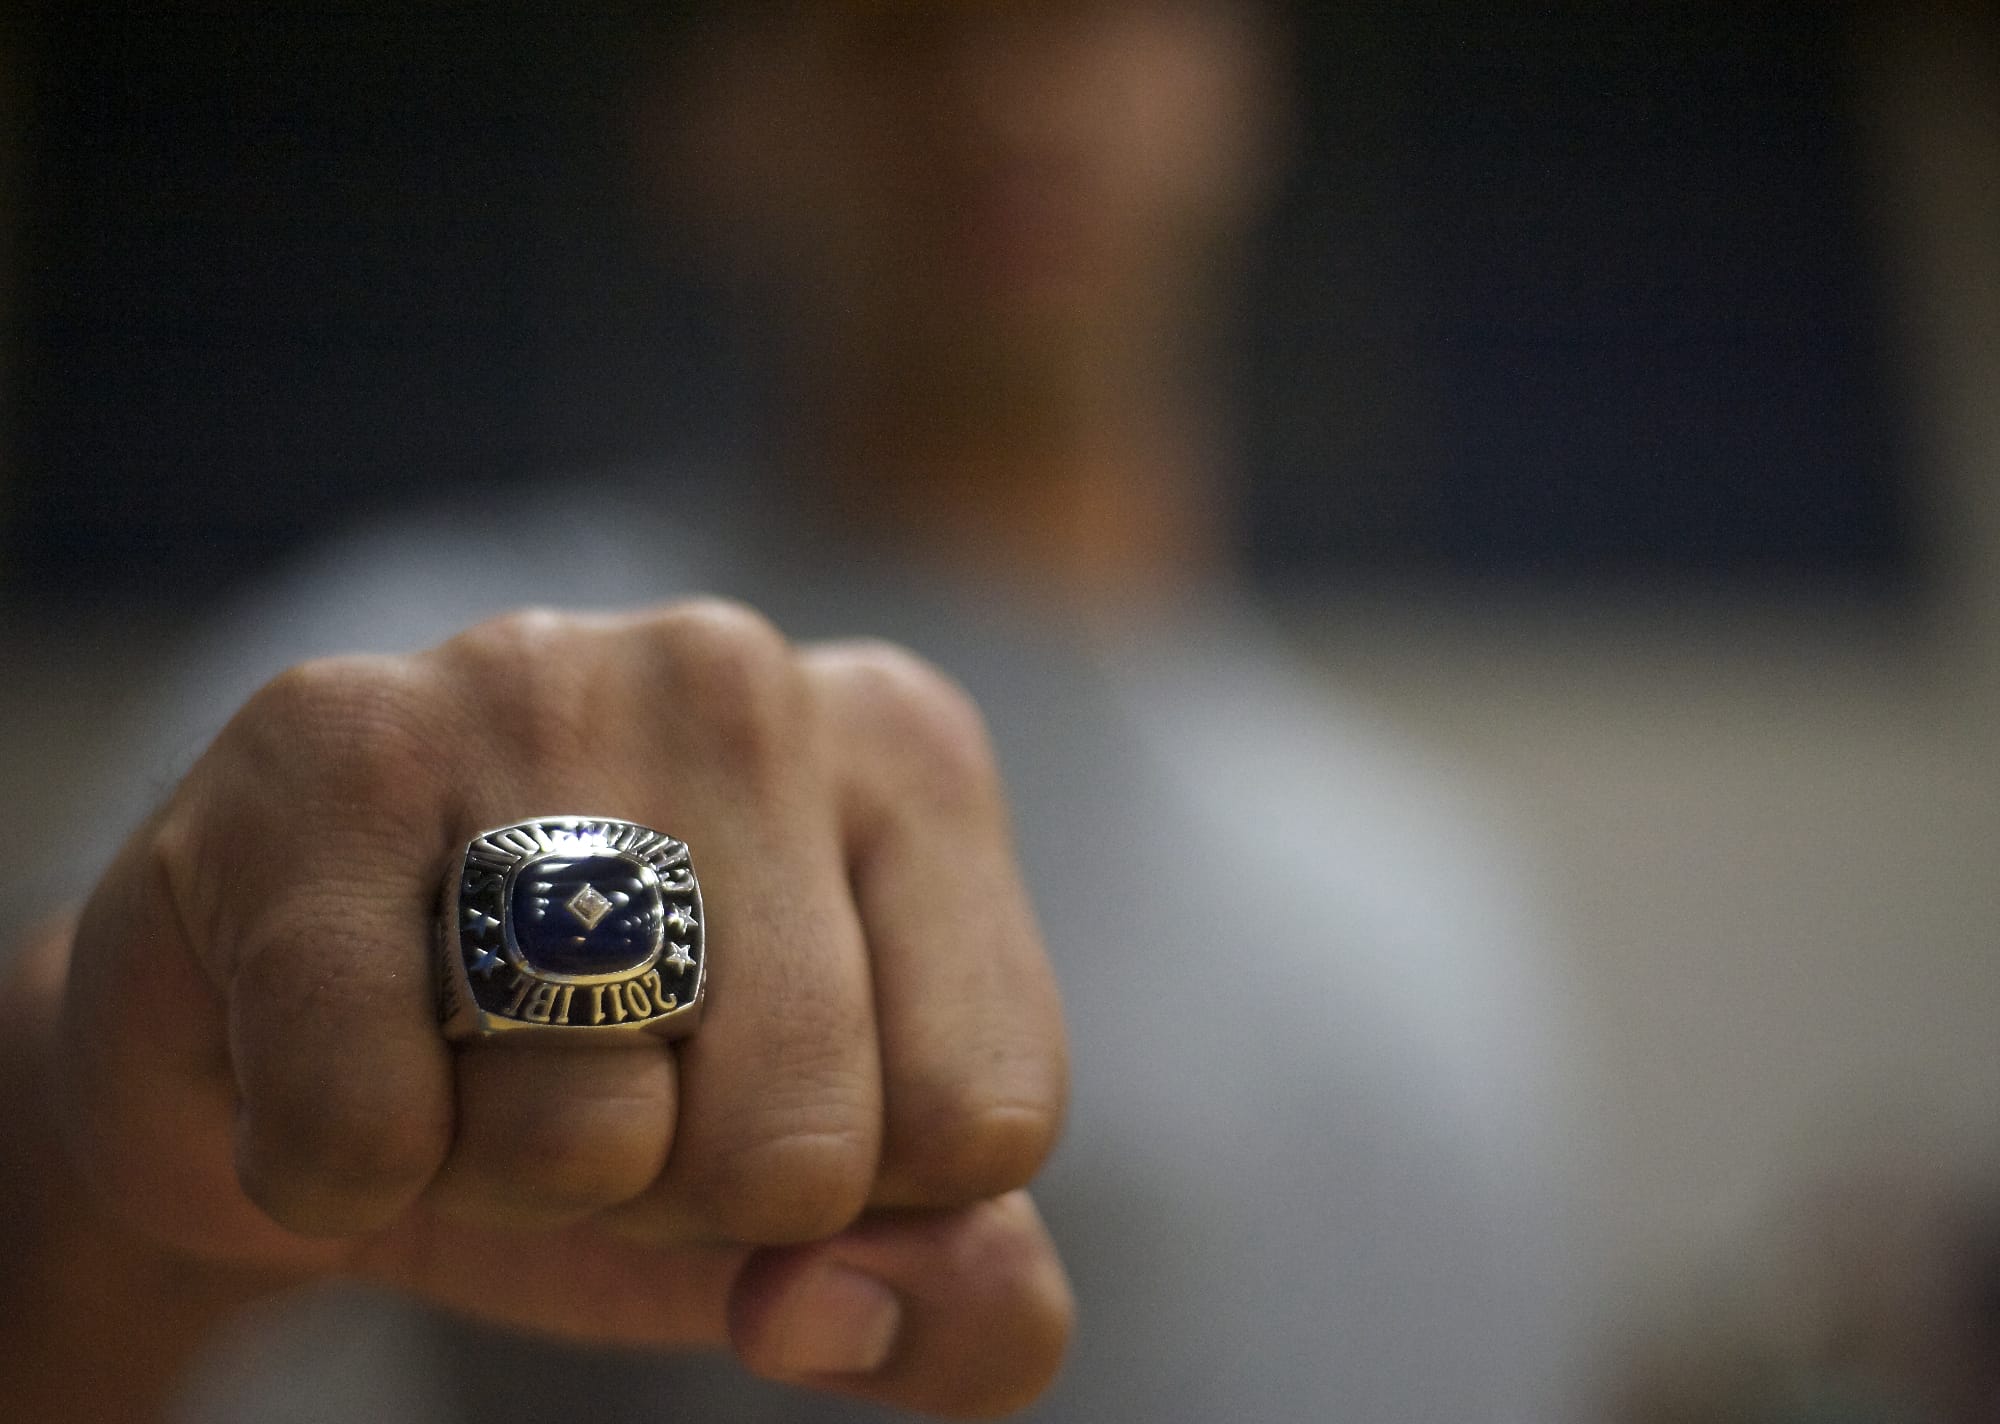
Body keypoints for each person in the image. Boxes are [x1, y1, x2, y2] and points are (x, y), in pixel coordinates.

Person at [3, 3, 1593, 1419]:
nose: (1007, 79)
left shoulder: (1438, 883)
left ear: (1244, 75)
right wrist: (96, 1126)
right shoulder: (439, 679)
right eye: (890, 27)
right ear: (710, 116)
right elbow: (95, 1153)